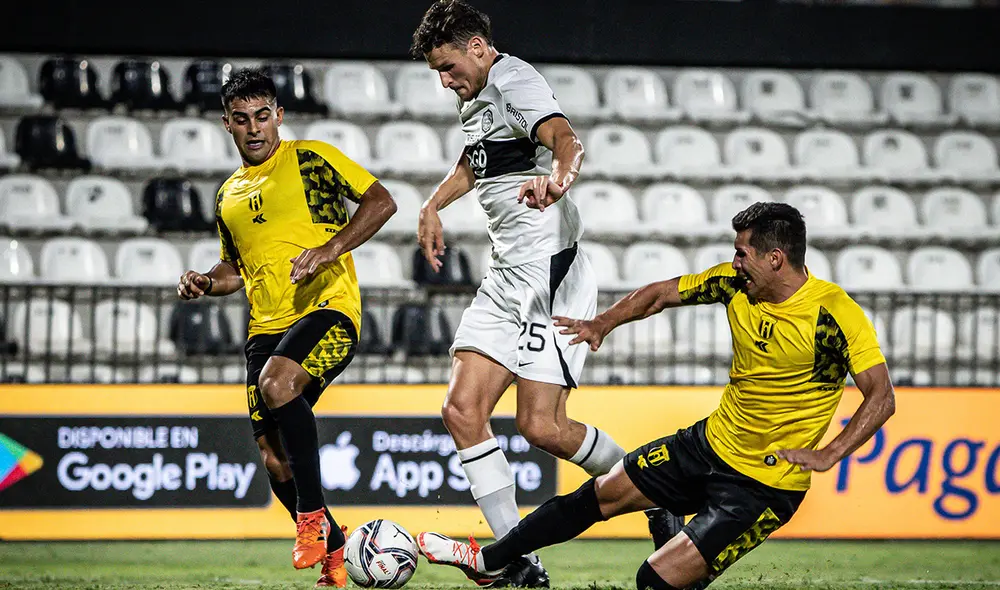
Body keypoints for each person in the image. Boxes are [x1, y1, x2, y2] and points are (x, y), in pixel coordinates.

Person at [416, 202, 897, 590]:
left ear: (776, 258)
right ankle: (488, 561)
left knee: (655, 580)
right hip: (706, 446)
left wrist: (831, 452)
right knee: (594, 497)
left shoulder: (834, 313)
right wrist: (603, 322)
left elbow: (880, 396)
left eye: (743, 253)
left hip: (761, 488)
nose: (734, 263)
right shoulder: (734, 285)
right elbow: (662, 294)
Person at [410, 2, 682, 586]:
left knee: (542, 427)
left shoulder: (514, 78)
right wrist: (434, 203)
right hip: (507, 274)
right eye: (437, 70)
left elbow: (566, 139)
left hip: (550, 274)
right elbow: (477, 159)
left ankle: (656, 494)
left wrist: (558, 181)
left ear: (479, 47)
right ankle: (520, 564)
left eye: (449, 66)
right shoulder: (475, 97)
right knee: (461, 411)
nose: (445, 80)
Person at [176, 68, 396, 588]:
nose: (254, 128)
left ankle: (313, 518)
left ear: (279, 116)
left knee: (278, 384)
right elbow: (235, 269)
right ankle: (337, 559)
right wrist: (206, 281)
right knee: (274, 461)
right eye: (240, 119)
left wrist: (329, 249)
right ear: (226, 124)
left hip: (328, 308)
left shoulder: (311, 158)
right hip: (264, 328)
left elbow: (382, 202)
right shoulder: (227, 195)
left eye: (262, 116)